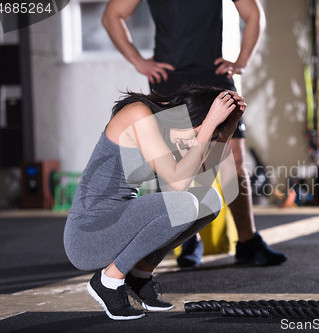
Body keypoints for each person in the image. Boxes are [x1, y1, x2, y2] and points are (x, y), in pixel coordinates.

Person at [102, 0, 287, 267]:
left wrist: (242, 62)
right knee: (177, 162)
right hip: (170, 78)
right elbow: (112, 16)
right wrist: (140, 62)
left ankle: (248, 241)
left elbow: (254, 14)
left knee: (233, 159)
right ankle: (187, 239)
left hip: (214, 74)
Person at [64, 86, 246, 320]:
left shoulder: (172, 132)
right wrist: (210, 123)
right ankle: (109, 281)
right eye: (197, 133)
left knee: (209, 200)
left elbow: (201, 180)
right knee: (184, 204)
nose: (195, 143)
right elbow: (180, 187)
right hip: (88, 237)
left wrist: (228, 127)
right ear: (187, 115)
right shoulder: (138, 114)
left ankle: (139, 274)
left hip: (117, 226)